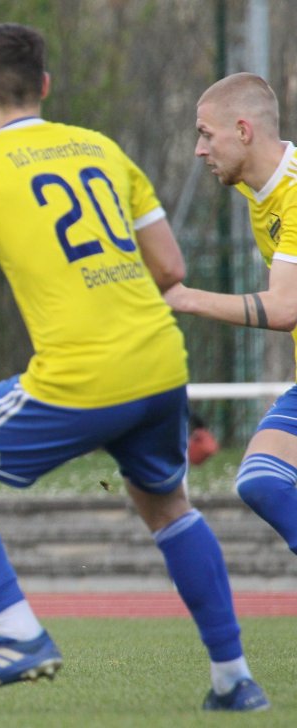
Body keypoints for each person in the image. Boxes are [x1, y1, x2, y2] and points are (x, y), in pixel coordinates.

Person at [0, 23, 268, 711]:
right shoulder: (102, 149)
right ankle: (233, 678)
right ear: (45, 86)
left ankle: (17, 633)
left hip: (81, 375)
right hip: (162, 361)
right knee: (168, 507)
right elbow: (171, 267)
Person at [166, 73, 297, 560]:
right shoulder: (258, 190)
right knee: (263, 482)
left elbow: (285, 308)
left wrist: (184, 298)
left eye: (206, 133)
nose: (200, 150)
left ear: (243, 131)